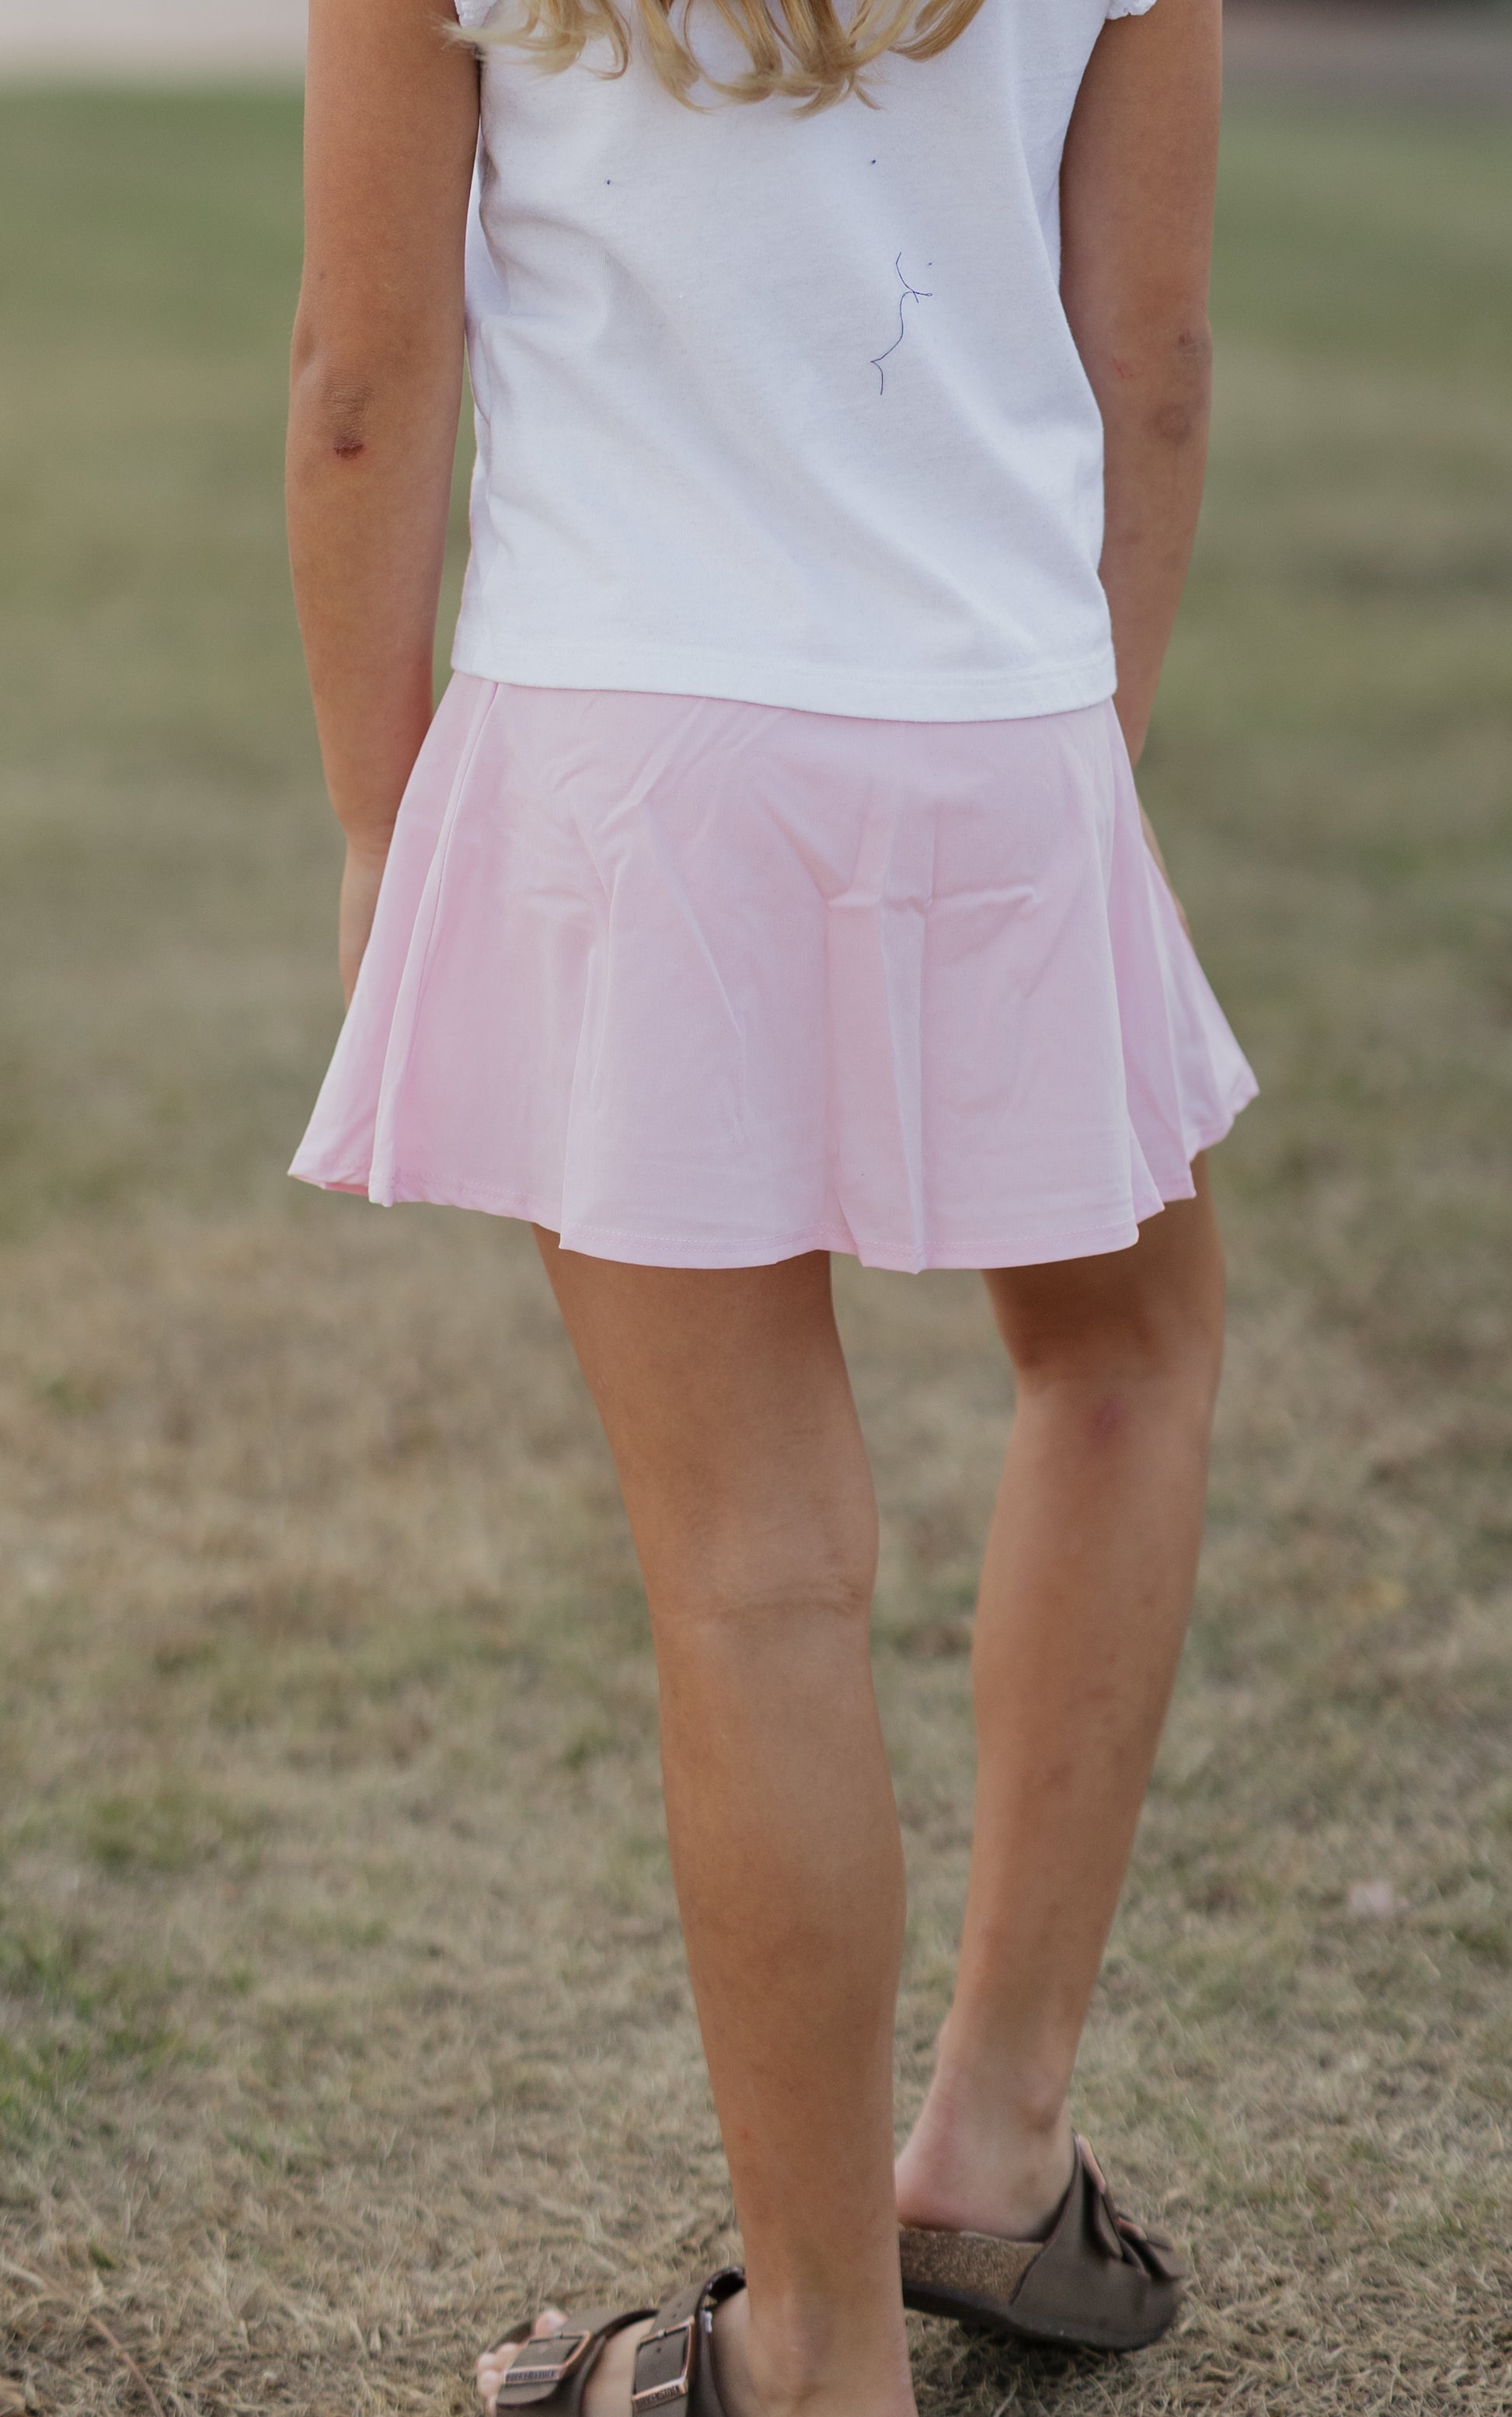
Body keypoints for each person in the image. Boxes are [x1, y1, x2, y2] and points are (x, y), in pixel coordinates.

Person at [286, 0, 1250, 2405]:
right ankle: (996, 2144)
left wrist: (378, 823)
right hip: (994, 723)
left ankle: (817, 2346)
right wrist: (1066, 740)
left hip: (621, 752)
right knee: (1123, 1358)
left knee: (754, 1572)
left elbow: (359, 384)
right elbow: (1153, 361)